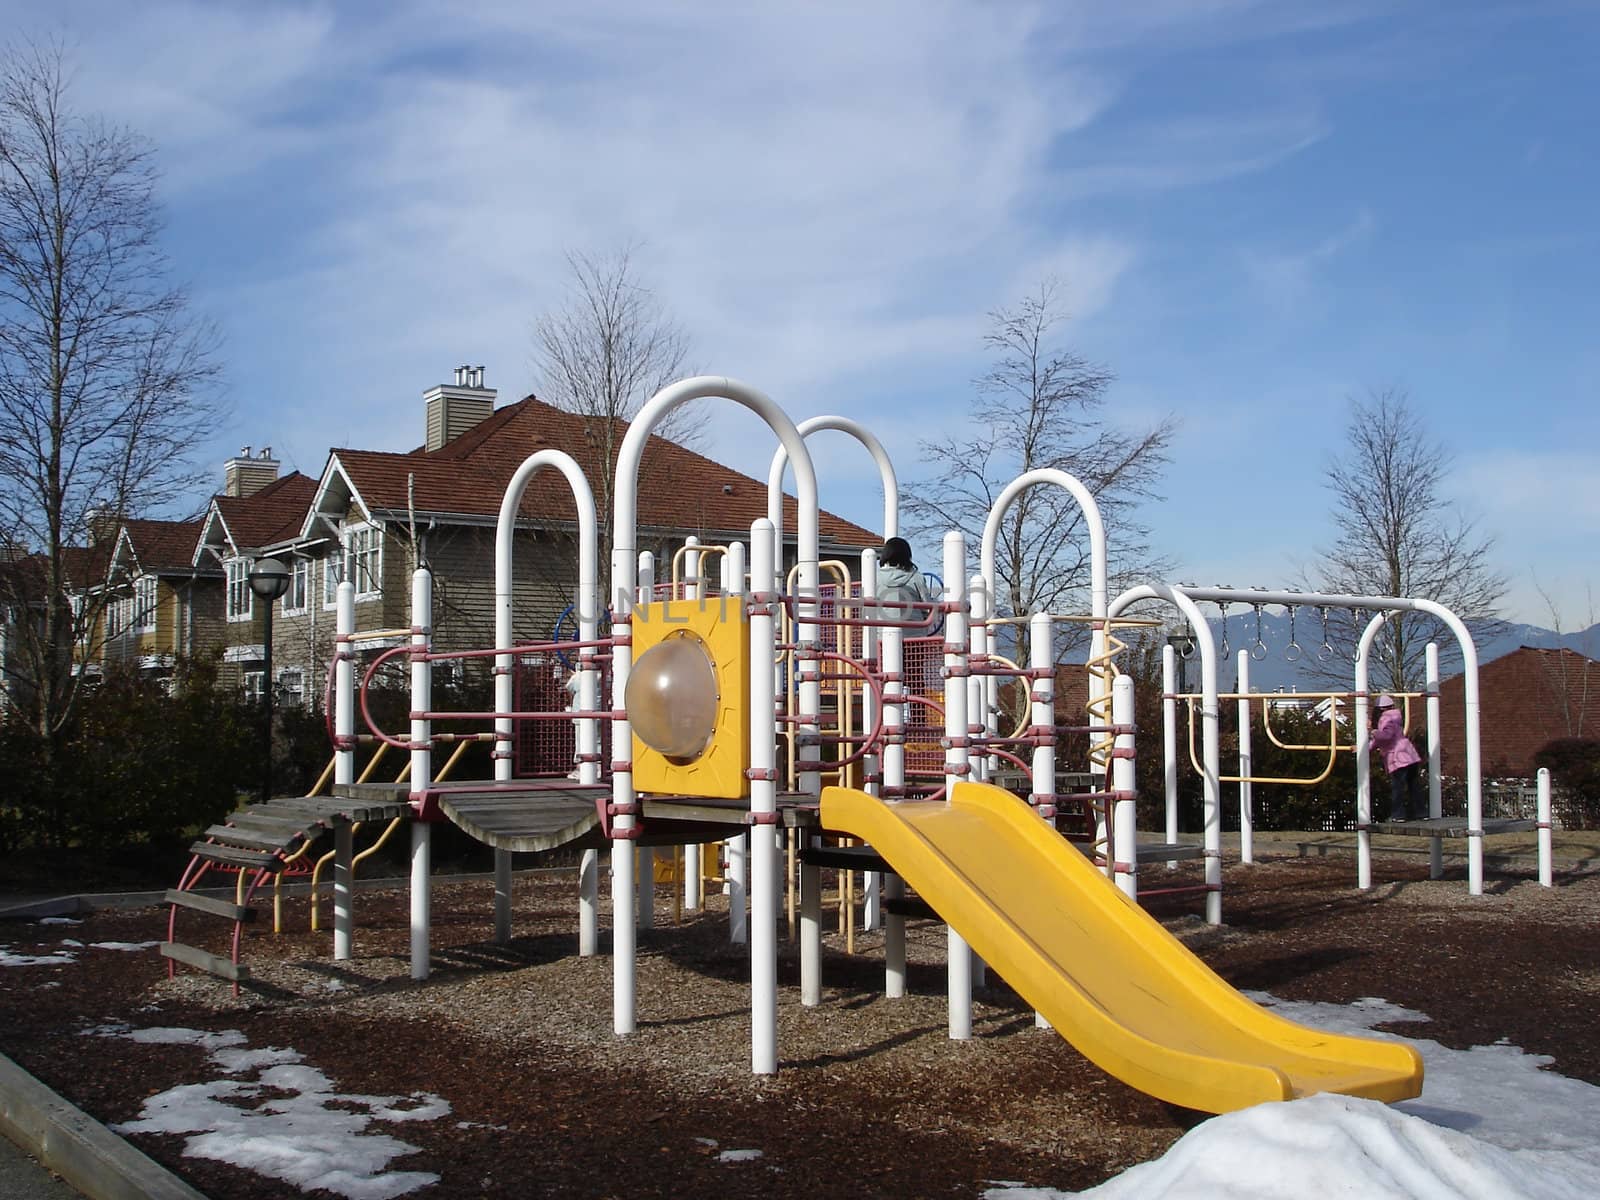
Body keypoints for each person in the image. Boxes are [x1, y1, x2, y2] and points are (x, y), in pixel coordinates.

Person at [1370, 694, 1424, 821]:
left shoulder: (1386, 718)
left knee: (1397, 788)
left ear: (1380, 709)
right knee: (1413, 786)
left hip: (1398, 758)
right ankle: (1421, 812)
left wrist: (1374, 732)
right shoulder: (1396, 717)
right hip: (1410, 756)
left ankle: (1398, 814)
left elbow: (1386, 737)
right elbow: (1383, 740)